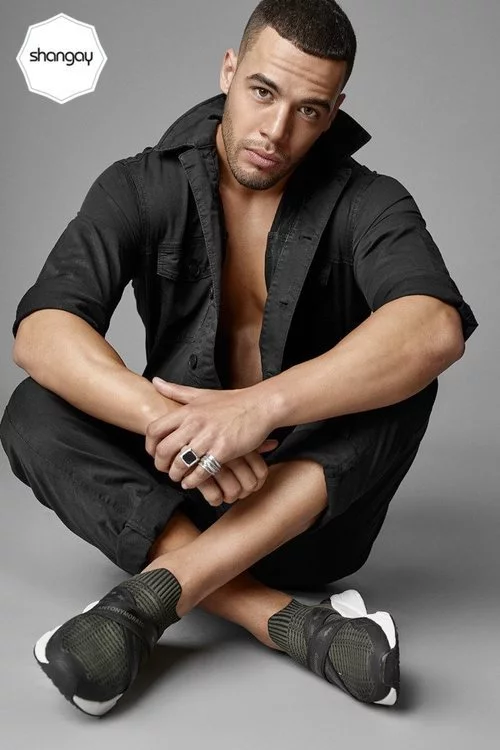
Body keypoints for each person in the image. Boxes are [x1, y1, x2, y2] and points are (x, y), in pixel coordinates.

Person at [0, 0, 478, 717]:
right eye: (262, 91)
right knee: (32, 411)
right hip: (173, 489)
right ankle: (283, 621)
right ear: (229, 70)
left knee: (406, 377)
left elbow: (434, 327)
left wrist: (258, 409)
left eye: (309, 110)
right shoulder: (140, 184)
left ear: (334, 110)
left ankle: (146, 603)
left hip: (304, 517)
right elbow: (43, 329)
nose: (276, 131)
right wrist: (177, 427)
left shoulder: (369, 201)